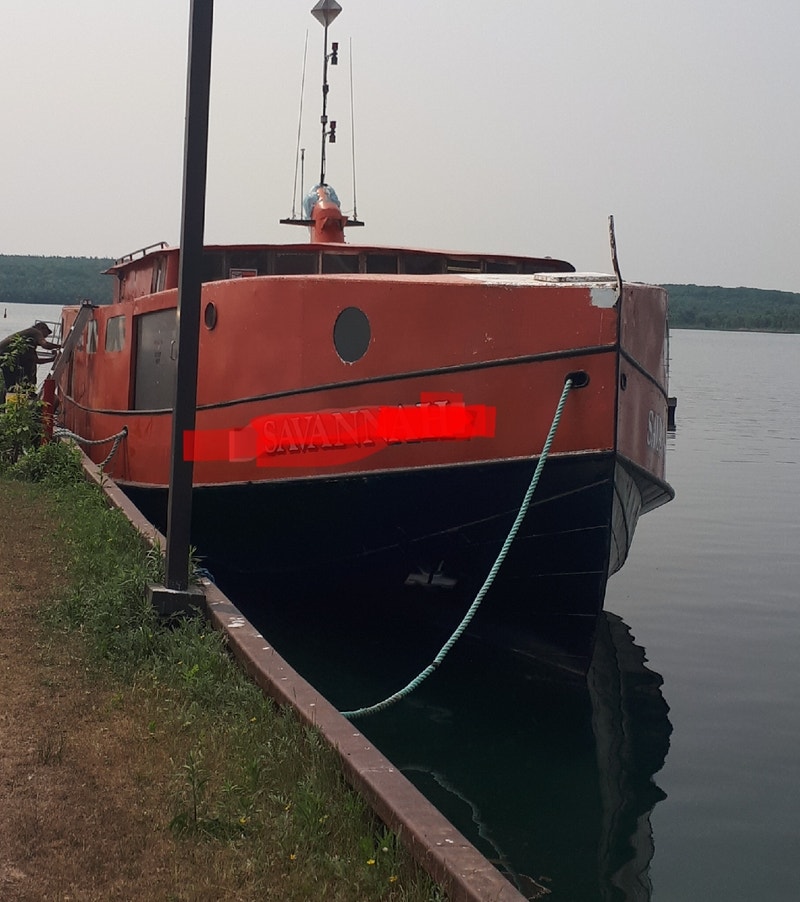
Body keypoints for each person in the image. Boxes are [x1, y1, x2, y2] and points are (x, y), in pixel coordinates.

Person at [0, 321, 60, 395]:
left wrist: (52, 359)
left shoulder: (29, 342)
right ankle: (25, 395)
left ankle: (21, 396)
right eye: (44, 336)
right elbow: (45, 345)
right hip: (6, 356)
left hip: (6, 358)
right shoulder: (35, 332)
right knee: (21, 375)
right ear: (42, 328)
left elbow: (36, 360)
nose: (43, 338)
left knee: (12, 385)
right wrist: (60, 346)